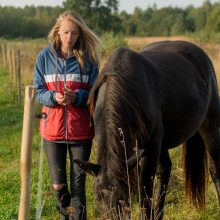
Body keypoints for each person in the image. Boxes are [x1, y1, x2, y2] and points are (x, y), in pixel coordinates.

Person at [33, 10, 100, 220]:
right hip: (52, 132)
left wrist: (77, 97)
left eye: (74, 33)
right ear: (57, 32)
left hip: (81, 132)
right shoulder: (44, 57)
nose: (69, 37)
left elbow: (95, 94)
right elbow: (38, 90)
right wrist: (54, 97)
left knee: (79, 188)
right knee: (58, 185)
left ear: (80, 34)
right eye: (65, 32)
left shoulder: (89, 60)